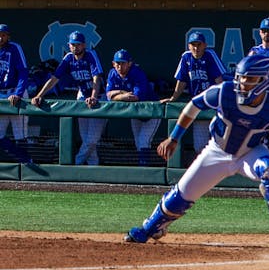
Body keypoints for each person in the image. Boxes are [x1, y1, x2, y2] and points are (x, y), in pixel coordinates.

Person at [124, 55, 269, 249]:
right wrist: (174, 138)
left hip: (251, 153)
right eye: (241, 77)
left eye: (249, 79)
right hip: (217, 151)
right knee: (180, 196)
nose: (242, 83)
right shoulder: (225, 92)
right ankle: (151, 228)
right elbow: (194, 105)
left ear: (264, 81)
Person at [31, 31, 107, 166]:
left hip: (100, 98)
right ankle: (93, 168)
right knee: (86, 139)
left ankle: (75, 163)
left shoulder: (90, 55)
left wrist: (94, 97)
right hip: (83, 96)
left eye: (78, 44)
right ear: (69, 45)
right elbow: (54, 79)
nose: (75, 47)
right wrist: (39, 95)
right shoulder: (68, 58)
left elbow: (97, 78)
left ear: (84, 45)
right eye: (73, 44)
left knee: (92, 140)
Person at [160, 31, 226, 155]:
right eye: (193, 45)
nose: (196, 48)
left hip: (214, 104)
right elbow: (182, 81)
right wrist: (173, 98)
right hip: (199, 104)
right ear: (189, 46)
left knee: (220, 144)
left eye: (199, 44)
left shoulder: (210, 55)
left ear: (205, 45)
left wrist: (221, 103)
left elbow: (219, 82)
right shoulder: (186, 57)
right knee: (199, 146)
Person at [105, 49, 162, 166]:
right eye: (118, 63)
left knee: (143, 141)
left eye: (123, 63)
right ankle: (143, 167)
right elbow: (108, 96)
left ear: (129, 63)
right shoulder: (112, 73)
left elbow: (135, 97)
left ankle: (144, 169)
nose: (120, 66)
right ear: (113, 64)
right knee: (138, 142)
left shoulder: (137, 73)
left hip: (151, 111)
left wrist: (117, 95)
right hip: (135, 113)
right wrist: (123, 94)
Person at [0, 23, 30, 163]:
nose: (0, 38)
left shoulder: (14, 48)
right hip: (1, 95)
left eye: (3, 35)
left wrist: (18, 93)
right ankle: (24, 161)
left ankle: (29, 165)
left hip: (16, 94)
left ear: (8, 36)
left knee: (21, 135)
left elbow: (23, 72)